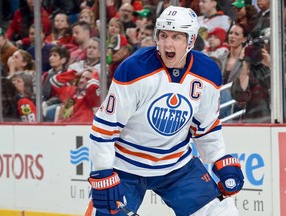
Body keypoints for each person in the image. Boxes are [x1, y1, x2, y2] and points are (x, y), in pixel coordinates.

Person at [87, 6, 244, 216]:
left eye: (177, 37)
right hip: (125, 167)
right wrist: (103, 171)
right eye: (163, 35)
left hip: (176, 167)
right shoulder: (135, 69)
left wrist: (219, 158)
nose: (168, 43)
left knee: (221, 212)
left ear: (191, 40)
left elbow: (205, 125)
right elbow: (105, 127)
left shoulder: (207, 73)